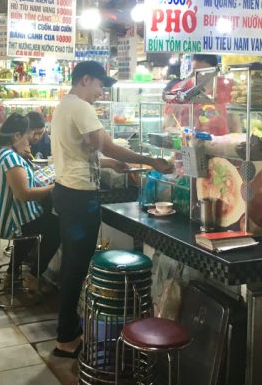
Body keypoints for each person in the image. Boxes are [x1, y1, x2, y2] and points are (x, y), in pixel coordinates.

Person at [50, 61, 172, 357]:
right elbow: (106, 145)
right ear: (86, 79)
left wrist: (109, 163)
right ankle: (66, 339)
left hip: (67, 191)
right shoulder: (80, 106)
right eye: (99, 85)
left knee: (73, 265)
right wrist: (150, 161)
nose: (101, 92)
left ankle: (69, 332)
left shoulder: (65, 104)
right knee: (76, 267)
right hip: (79, 197)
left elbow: (84, 151)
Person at [0, 113, 60, 292]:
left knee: (32, 223)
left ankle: (12, 274)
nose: (29, 143)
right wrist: (54, 187)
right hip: (9, 221)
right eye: (27, 139)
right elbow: (24, 195)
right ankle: (34, 276)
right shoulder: (9, 158)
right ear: (17, 136)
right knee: (55, 228)